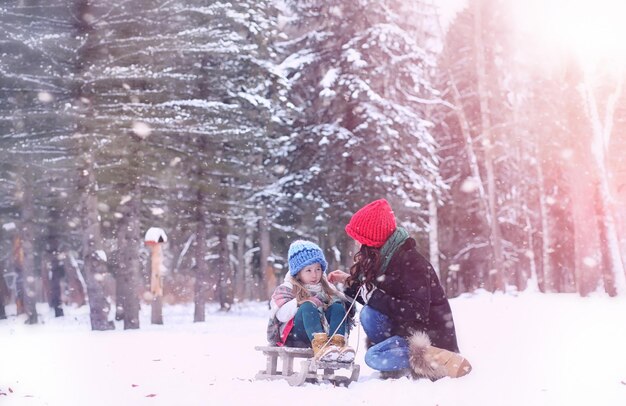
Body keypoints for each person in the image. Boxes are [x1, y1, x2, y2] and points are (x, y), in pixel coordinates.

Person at [328, 199, 472, 379]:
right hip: (403, 332)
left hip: (427, 338)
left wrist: (372, 294)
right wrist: (349, 282)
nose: (357, 244)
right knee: (369, 313)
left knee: (373, 356)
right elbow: (376, 298)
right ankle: (399, 362)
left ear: (373, 240)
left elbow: (415, 312)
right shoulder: (385, 258)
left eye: (360, 239)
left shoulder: (412, 263)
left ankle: (436, 359)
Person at [267, 240, 355, 363]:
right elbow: (281, 315)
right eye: (308, 270)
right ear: (298, 272)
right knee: (308, 307)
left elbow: (345, 305)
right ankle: (321, 346)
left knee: (338, 307)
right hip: (297, 336)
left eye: (318, 269)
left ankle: (337, 345)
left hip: (325, 334)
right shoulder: (288, 287)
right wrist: (300, 302)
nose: (314, 275)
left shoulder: (326, 287)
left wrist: (345, 299)